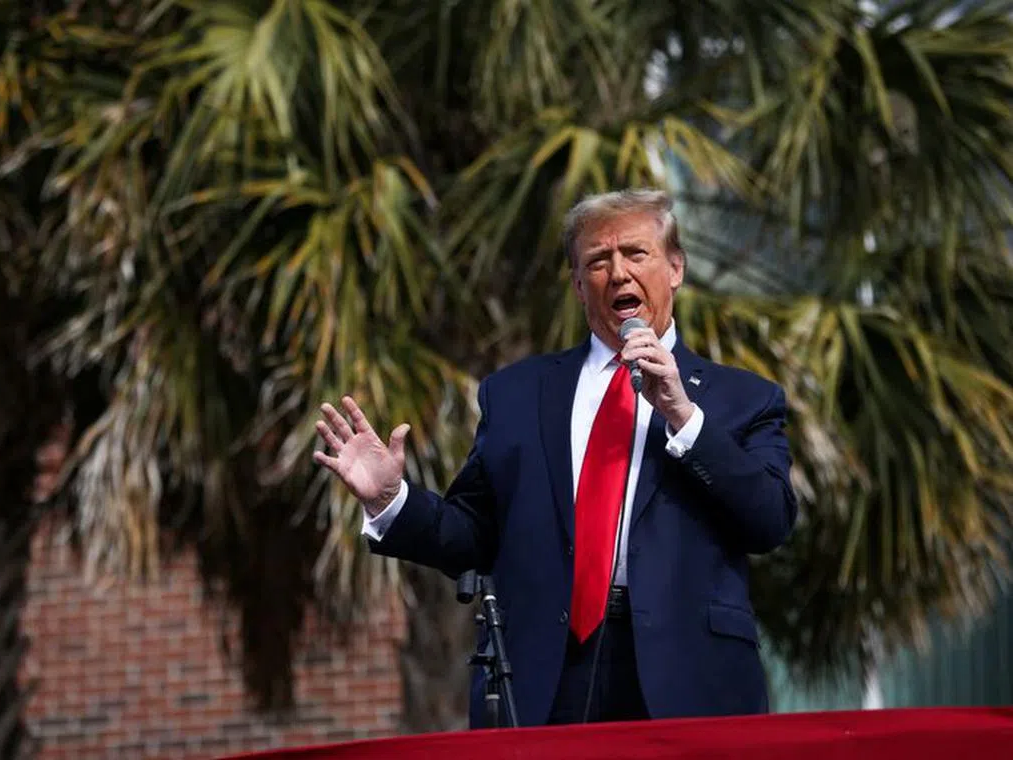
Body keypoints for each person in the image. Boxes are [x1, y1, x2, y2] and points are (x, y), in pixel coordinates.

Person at [313, 188, 797, 728]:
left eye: (636, 254)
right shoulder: (517, 395)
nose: (618, 273)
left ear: (676, 268)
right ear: (577, 285)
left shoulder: (742, 400)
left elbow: (769, 520)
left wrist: (684, 415)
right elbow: (471, 534)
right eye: (597, 261)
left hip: (689, 678)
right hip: (547, 676)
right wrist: (390, 501)